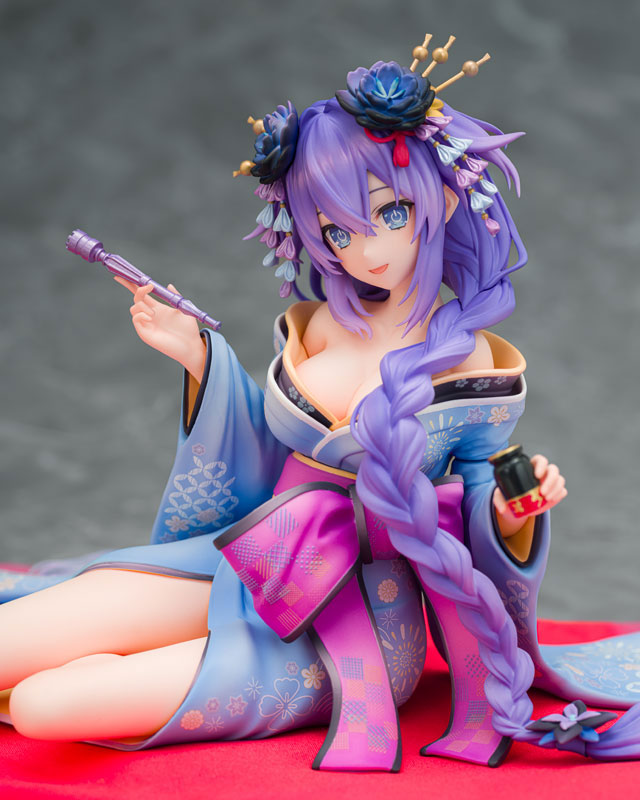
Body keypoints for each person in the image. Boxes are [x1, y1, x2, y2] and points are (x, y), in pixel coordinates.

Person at [1, 41, 639, 771]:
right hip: (249, 561)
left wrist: (511, 511)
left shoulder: (472, 361)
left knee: (44, 705)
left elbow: (479, 492)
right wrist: (198, 355)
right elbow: (263, 454)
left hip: (350, 620)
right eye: (337, 231)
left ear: (440, 198)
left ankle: (112, 675)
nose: (365, 250)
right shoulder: (319, 325)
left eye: (389, 212)